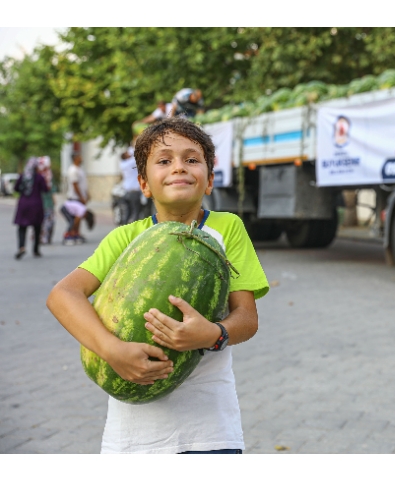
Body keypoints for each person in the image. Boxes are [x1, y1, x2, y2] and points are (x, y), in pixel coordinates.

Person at [46, 117, 269, 454]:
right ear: (144, 184)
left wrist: (212, 334)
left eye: (192, 160)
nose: (179, 167)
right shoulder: (126, 237)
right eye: (164, 161)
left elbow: (247, 319)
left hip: (209, 430)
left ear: (209, 180)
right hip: (132, 438)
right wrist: (112, 350)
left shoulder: (227, 230)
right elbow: (62, 295)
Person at [13, 157, 49, 259]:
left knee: (21, 227)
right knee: (37, 227)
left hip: (23, 204)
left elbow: (16, 188)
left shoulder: (23, 176)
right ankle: (36, 250)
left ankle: (21, 247)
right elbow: (45, 189)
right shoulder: (39, 177)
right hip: (36, 205)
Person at [62, 153, 91, 245]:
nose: (81, 158)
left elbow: (82, 184)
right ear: (75, 158)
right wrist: (81, 196)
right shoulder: (73, 170)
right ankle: (71, 233)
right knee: (76, 217)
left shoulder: (79, 169)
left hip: (79, 197)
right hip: (74, 197)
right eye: (80, 157)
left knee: (79, 216)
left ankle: (76, 233)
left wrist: (87, 194)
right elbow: (75, 184)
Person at [119, 146, 145, 223]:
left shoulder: (122, 164)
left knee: (128, 212)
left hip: (127, 191)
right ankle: (134, 229)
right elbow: (135, 154)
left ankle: (124, 227)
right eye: (127, 154)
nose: (129, 154)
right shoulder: (131, 163)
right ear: (126, 157)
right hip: (134, 192)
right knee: (136, 212)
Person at [38, 156, 57, 245]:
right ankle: (45, 238)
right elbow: (51, 189)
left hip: (41, 202)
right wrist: (54, 199)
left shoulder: (38, 174)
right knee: (48, 220)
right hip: (46, 202)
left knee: (44, 220)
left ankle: (42, 237)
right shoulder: (47, 175)